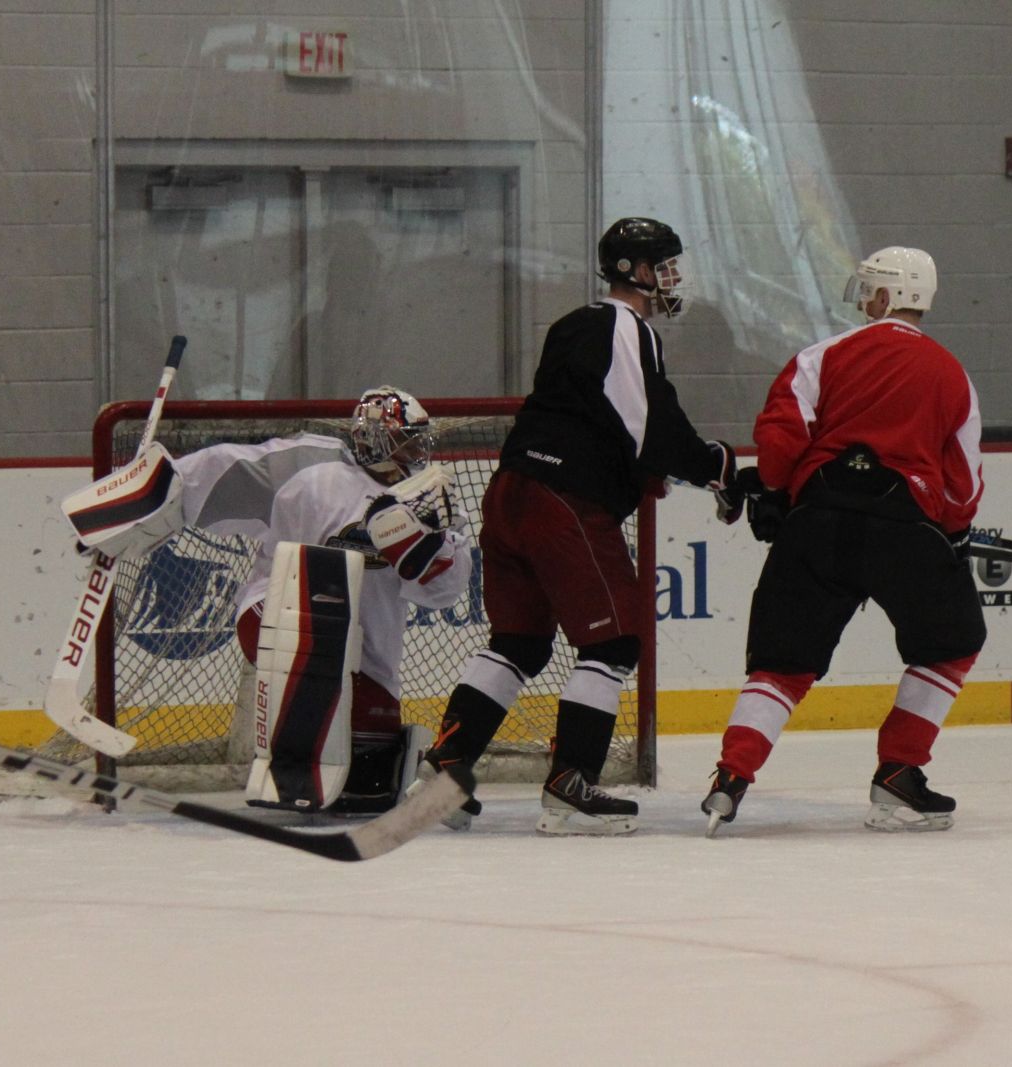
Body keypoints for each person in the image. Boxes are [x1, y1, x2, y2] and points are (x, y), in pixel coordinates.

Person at [412, 217, 739, 836]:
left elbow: (600, 419)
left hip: (511, 491)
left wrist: (653, 467)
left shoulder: (571, 324)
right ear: (635, 272)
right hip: (563, 500)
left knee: (520, 642)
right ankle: (571, 785)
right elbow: (650, 427)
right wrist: (717, 466)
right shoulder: (627, 327)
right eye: (664, 265)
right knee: (613, 644)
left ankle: (445, 766)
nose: (674, 277)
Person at [81, 386, 472, 814]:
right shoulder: (311, 471)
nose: (417, 452)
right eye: (406, 441)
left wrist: (427, 548)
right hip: (275, 612)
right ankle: (286, 765)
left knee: (368, 782)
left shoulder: (430, 499)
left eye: (418, 442)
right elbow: (216, 472)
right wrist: (128, 508)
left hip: (369, 651)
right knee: (317, 629)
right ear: (374, 440)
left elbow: (444, 593)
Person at [702, 246, 985, 835]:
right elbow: (962, 479)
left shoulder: (822, 354)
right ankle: (899, 773)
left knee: (781, 665)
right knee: (952, 644)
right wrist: (952, 535)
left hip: (818, 525)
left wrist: (776, 492)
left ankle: (730, 777)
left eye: (868, 290)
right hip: (906, 530)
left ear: (884, 296)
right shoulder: (953, 374)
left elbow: (781, 435)